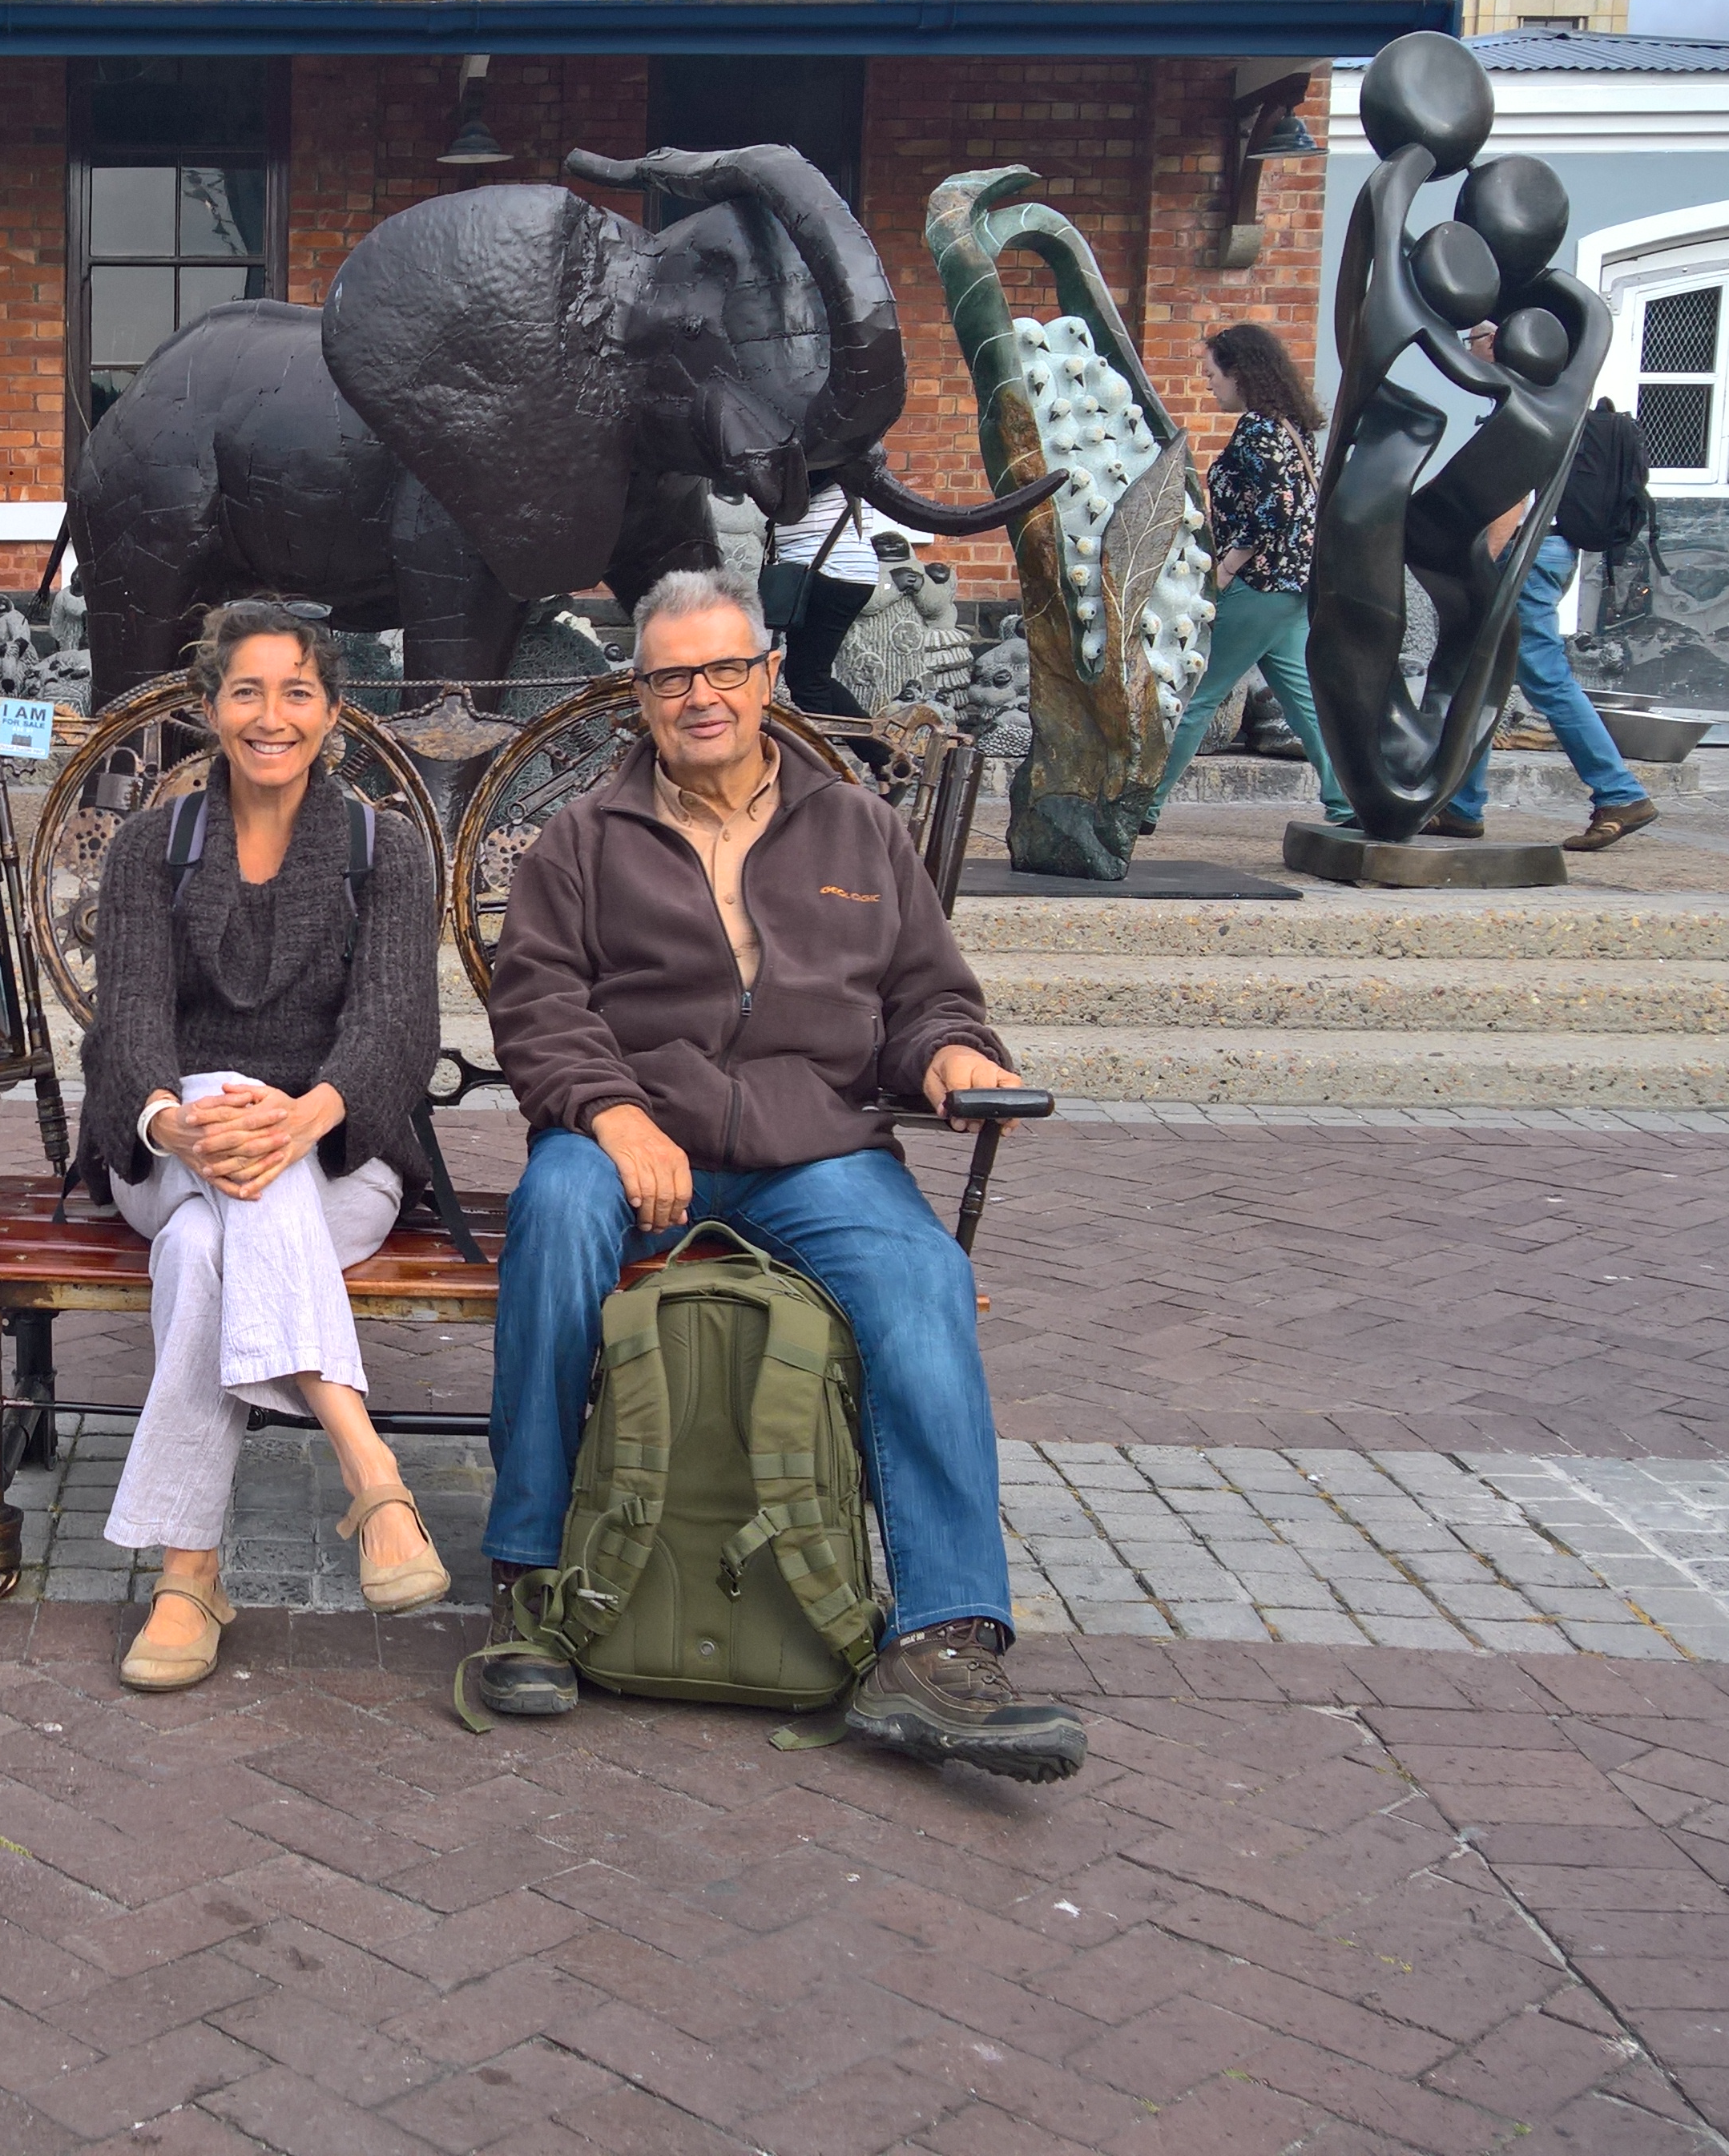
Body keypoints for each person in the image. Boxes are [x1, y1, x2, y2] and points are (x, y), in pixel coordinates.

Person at [470, 569, 1086, 1783]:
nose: (701, 696)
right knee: (553, 1212)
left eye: (724, 670)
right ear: (636, 697)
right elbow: (538, 1005)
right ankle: (531, 1584)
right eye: (670, 677)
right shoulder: (582, 842)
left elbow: (925, 994)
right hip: (638, 1141)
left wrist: (953, 1054)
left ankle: (940, 1643)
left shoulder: (855, 824)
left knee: (921, 1279)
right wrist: (609, 1112)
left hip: (820, 1151)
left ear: (768, 677)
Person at [82, 601, 450, 1693]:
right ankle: (367, 1464)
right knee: (221, 1128)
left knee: (205, 1254)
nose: (271, 715)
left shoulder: (384, 848)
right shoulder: (154, 847)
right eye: (247, 691)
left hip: (339, 1153)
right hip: (170, 1150)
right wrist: (174, 1121)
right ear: (209, 711)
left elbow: (395, 1028)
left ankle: (189, 1576)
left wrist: (301, 1117)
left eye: (297, 692)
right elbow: (130, 1022)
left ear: (333, 714)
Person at [1427, 336, 1657, 852]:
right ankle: (1463, 807)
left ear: (1500, 344)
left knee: (1543, 676)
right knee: (1480, 672)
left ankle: (1620, 792)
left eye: (1476, 339)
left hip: (1524, 554)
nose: (1468, 348)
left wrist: (1480, 568)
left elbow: (1509, 500)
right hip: (1550, 551)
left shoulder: (1518, 404)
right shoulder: (1551, 399)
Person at [1153, 324, 1352, 829]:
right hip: (1290, 588)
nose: (1207, 384)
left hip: (1259, 585)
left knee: (1197, 695)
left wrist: (1225, 569)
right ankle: (1349, 803)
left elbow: (1272, 513)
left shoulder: (1258, 431)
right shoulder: (1289, 427)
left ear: (1240, 372)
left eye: (1212, 373)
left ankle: (1140, 807)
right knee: (1305, 704)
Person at [758, 481, 883, 720]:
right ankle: (878, 752)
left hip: (829, 570)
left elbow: (786, 494)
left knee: (808, 681)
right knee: (808, 675)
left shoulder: (824, 455)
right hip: (831, 569)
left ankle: (815, 756)